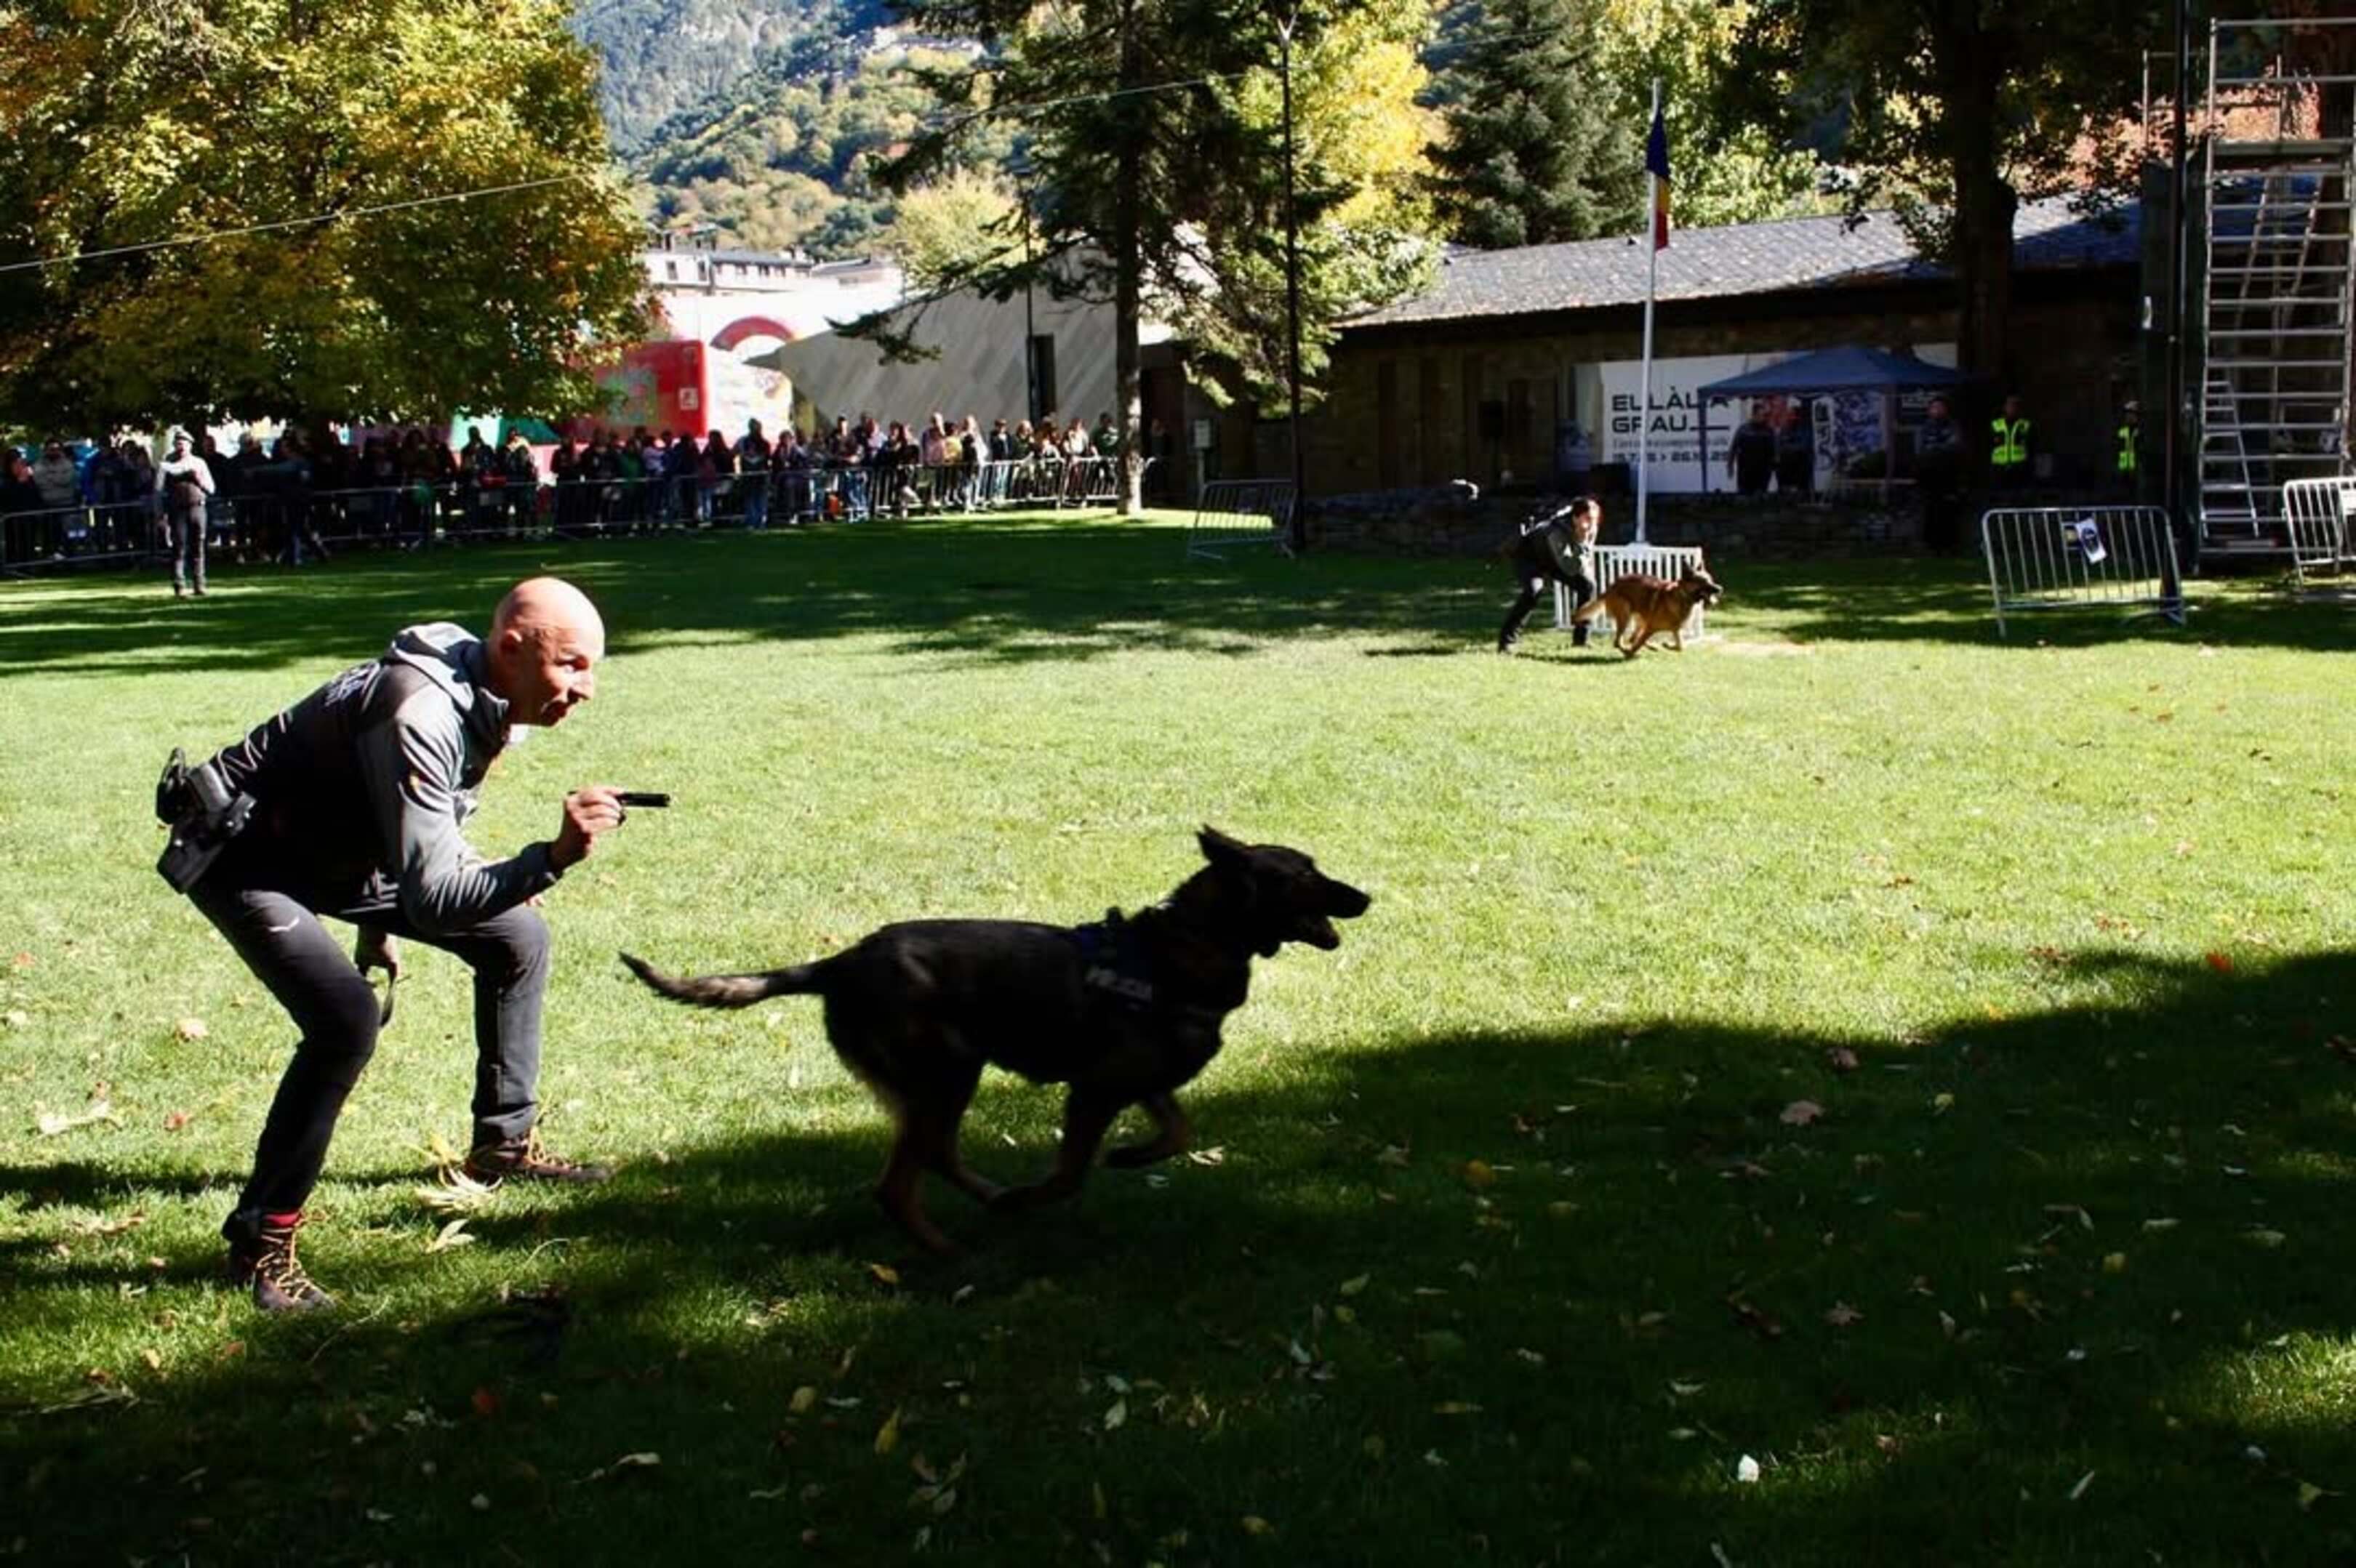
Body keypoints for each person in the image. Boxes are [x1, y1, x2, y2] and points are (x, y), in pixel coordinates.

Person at [169, 577, 626, 1311]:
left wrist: (377, 923)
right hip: (245, 853)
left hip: (334, 850)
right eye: (570, 665)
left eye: (592, 668)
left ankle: (503, 1143)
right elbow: (436, 900)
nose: (587, 688)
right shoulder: (422, 710)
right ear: (512, 648)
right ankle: (261, 1244)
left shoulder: (486, 691)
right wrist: (549, 858)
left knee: (516, 934)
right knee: (345, 1021)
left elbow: (398, 821)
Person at [1496, 495, 1601, 654]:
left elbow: (1584, 558)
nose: (1592, 523)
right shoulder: (1555, 531)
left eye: (1595, 519)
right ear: (1575, 518)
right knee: (1534, 591)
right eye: (1588, 519)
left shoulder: (1591, 527)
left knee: (1588, 586)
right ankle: (1507, 642)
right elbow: (1569, 567)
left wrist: (1588, 571)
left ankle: (1581, 640)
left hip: (1558, 559)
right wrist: (1581, 543)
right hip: (1531, 557)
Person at [155, 428, 216, 597]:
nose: (181, 447)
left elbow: (211, 488)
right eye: (178, 443)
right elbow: (158, 490)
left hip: (197, 508)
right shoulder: (167, 464)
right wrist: (159, 513)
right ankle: (179, 584)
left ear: (190, 445)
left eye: (184, 444)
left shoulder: (199, 463)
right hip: (177, 510)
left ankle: (199, 584)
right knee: (179, 547)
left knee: (199, 548)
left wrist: (198, 480)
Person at [1914, 395, 1966, 552]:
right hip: (1929, 476)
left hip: (1948, 476)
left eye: (1940, 407)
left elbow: (1954, 447)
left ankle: (1949, 543)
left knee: (1948, 509)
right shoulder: (1924, 429)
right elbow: (1920, 451)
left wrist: (1936, 449)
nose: (1937, 410)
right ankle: (1930, 543)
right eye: (1934, 408)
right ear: (1929, 410)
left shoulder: (1952, 427)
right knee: (1929, 509)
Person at [1727, 403, 1776, 496]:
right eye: (1761, 415)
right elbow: (1733, 448)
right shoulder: (1743, 430)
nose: (1763, 418)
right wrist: (1730, 466)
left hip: (1762, 473)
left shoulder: (1769, 431)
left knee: (1760, 497)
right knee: (1744, 496)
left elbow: (1774, 450)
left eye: (1764, 416)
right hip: (1745, 472)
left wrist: (1773, 468)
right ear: (1754, 415)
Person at [1989, 393, 2032, 490]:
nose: (2012, 408)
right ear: (2005, 407)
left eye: (2015, 405)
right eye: (2010, 405)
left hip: (2019, 468)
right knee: (1999, 495)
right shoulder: (1996, 425)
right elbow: (1988, 445)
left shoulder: (2025, 425)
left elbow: (2032, 446)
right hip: (1999, 468)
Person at [1774, 401, 1814, 496]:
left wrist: (1787, 448)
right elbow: (1779, 445)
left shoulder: (1805, 430)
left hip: (1801, 465)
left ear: (1798, 417)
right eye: (1788, 415)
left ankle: (1800, 493)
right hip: (1785, 467)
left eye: (1791, 415)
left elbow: (1803, 446)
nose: (1789, 417)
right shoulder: (1784, 430)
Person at [2115, 398, 2145, 502]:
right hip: (2123, 469)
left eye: (2132, 413)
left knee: (2137, 497)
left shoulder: (2141, 431)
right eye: (2127, 414)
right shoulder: (2121, 430)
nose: (2129, 416)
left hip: (2137, 471)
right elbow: (2116, 448)